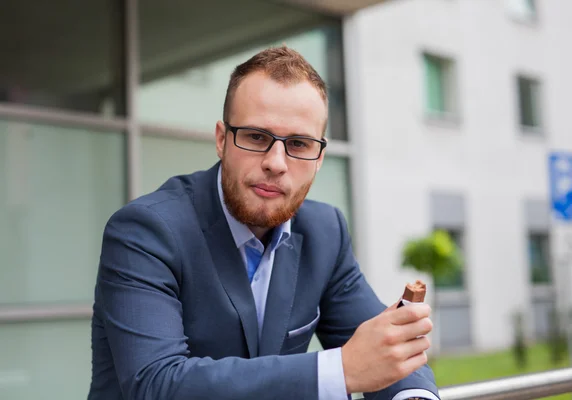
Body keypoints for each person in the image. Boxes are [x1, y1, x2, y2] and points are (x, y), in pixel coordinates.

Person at [88, 46, 439, 400]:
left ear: (319, 158)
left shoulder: (325, 231)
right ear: (222, 140)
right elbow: (157, 384)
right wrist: (339, 370)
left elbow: (382, 353)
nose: (276, 163)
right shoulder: (145, 232)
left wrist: (412, 396)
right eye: (257, 137)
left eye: (299, 144)